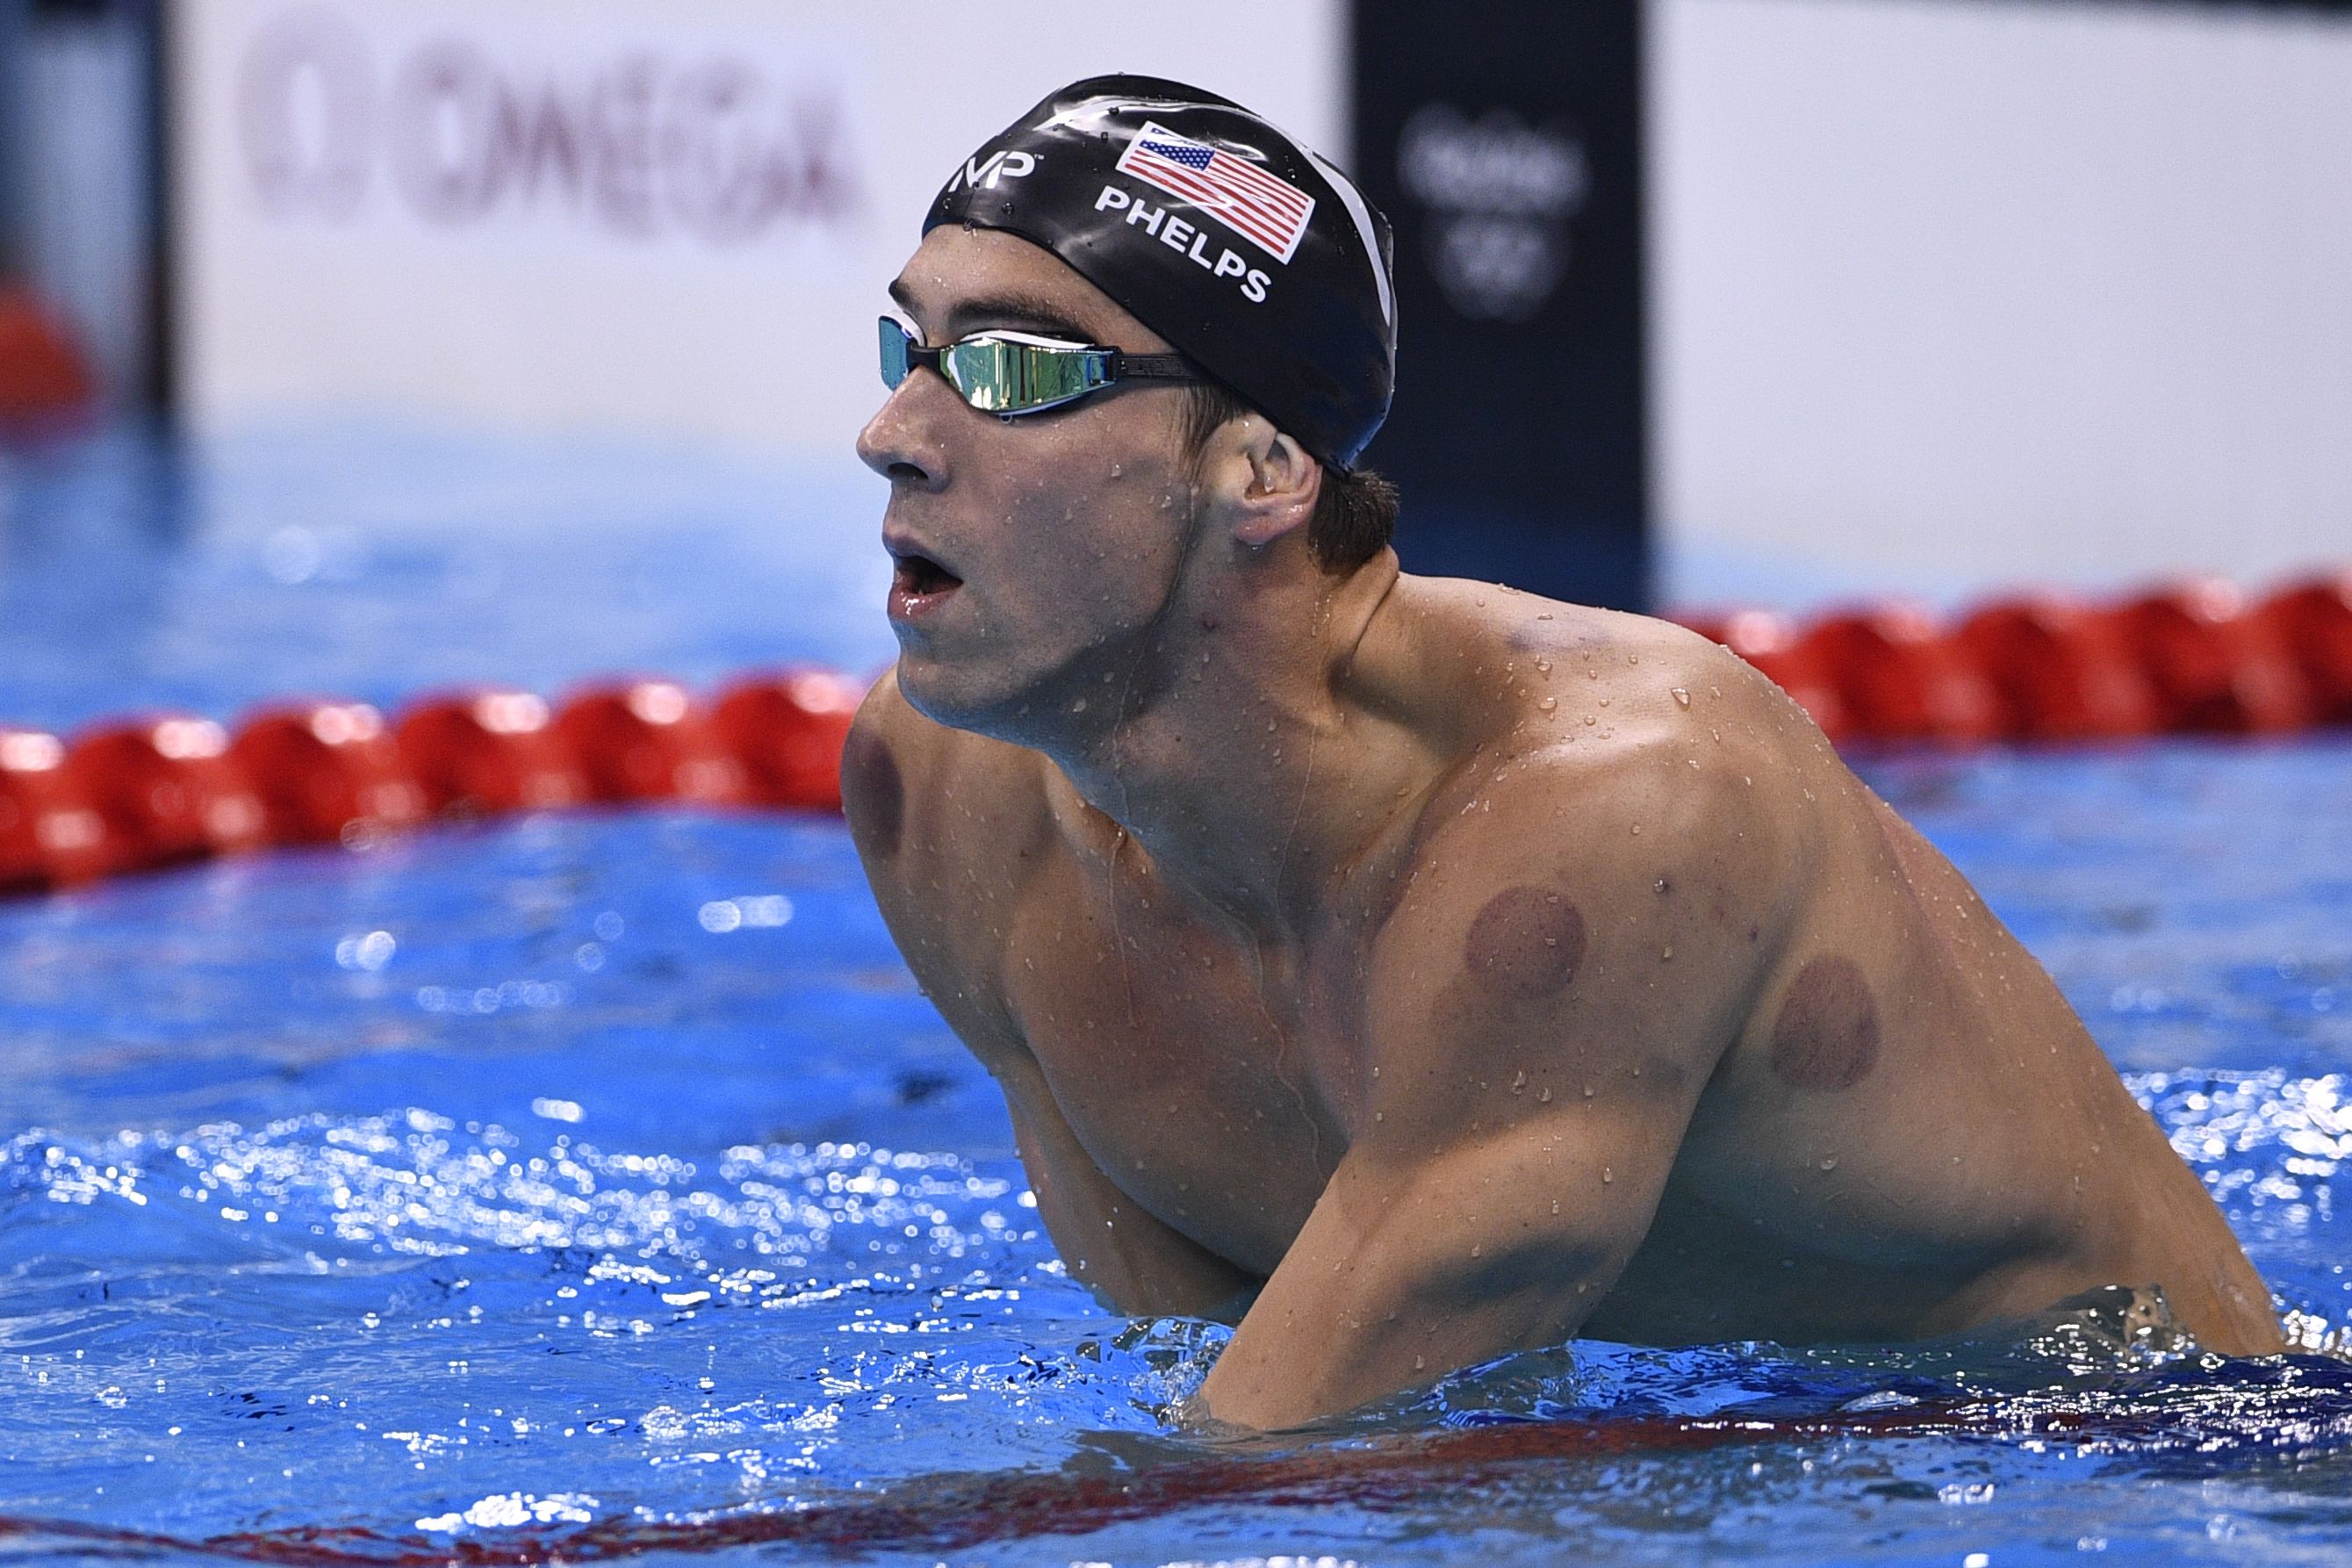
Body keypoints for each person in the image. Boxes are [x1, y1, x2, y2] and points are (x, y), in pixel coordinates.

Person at [842, 76, 2283, 1432]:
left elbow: (1247, 1469)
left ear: (1263, 472)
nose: (890, 432)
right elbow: (1212, 1403)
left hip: (2120, 1448)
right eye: (909, 348)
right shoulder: (950, 807)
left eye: (1011, 369)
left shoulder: (1612, 808)